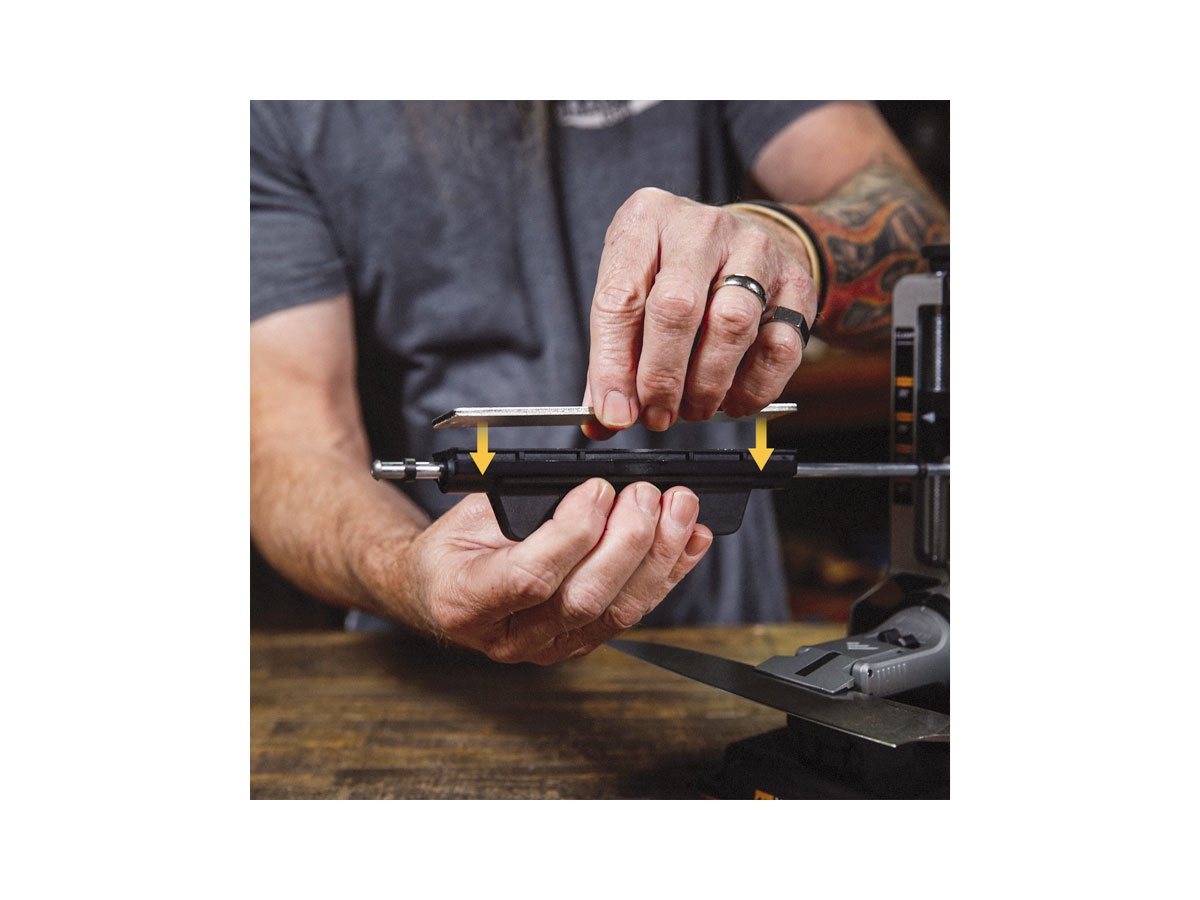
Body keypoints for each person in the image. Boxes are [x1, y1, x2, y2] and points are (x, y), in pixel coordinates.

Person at [250, 100, 948, 665]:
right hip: (434, 665)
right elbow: (291, 449)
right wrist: (406, 570)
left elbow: (927, 245)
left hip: (725, 649)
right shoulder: (280, 107)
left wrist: (789, 248)